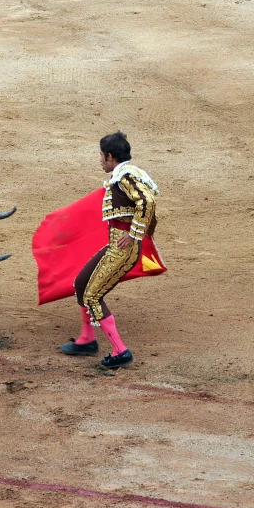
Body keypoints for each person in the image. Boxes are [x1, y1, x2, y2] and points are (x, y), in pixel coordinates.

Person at [60, 131, 159, 368]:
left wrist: (134, 233)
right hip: (116, 245)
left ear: (110, 156)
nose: (100, 160)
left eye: (102, 156)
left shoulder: (124, 176)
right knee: (82, 284)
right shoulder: (126, 174)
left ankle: (120, 351)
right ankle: (86, 340)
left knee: (93, 296)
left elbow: (147, 202)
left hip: (122, 248)